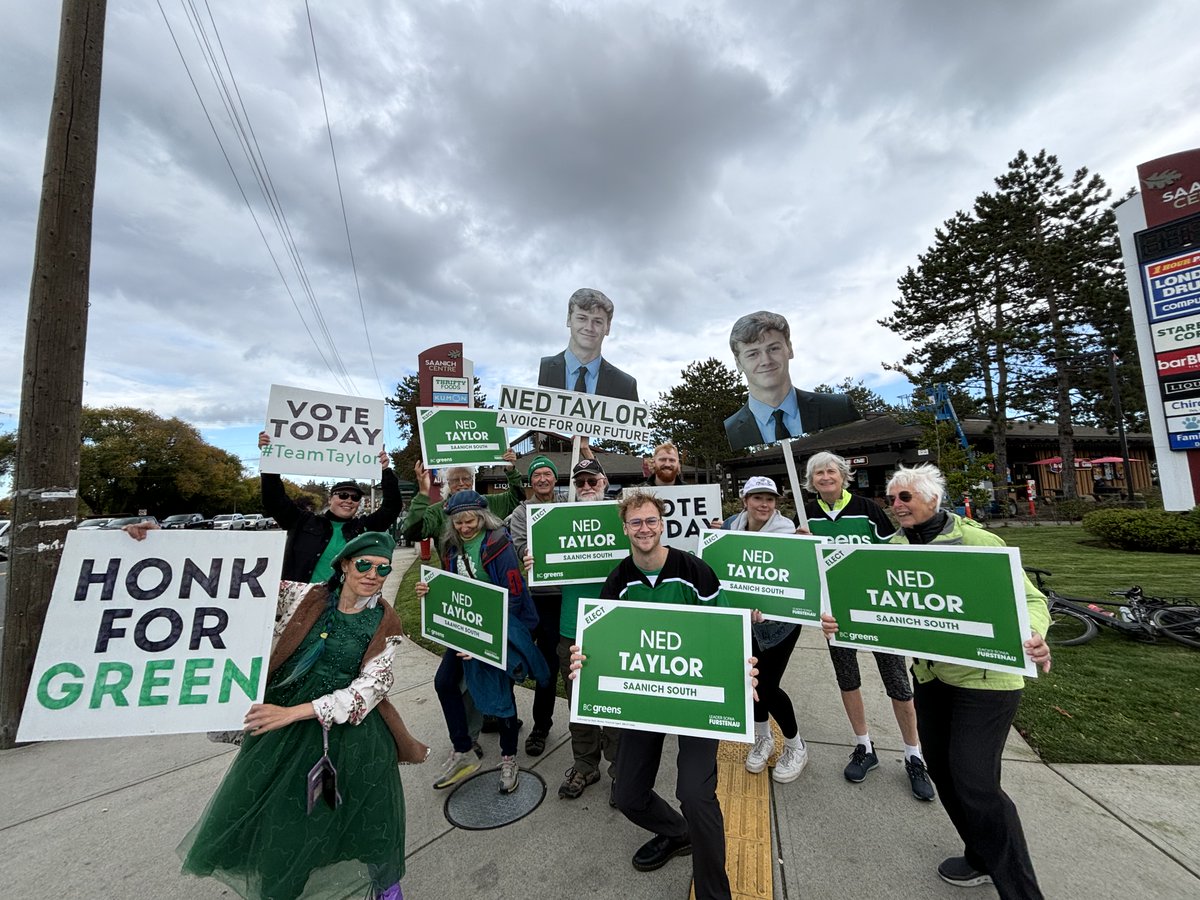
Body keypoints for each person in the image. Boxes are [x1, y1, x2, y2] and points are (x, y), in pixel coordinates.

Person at [130, 524, 428, 900]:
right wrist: (159, 541)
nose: (373, 576)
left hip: (353, 737)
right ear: (345, 566)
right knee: (286, 822)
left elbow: (369, 689)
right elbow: (228, 579)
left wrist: (295, 712)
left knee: (368, 817)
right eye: (365, 566)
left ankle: (385, 887)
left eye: (383, 569)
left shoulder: (386, 623)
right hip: (282, 736)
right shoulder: (301, 596)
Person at [821, 464, 1051, 898]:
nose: (897, 505)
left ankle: (1021, 891)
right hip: (930, 677)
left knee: (976, 782)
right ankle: (980, 856)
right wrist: (839, 620)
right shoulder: (891, 547)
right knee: (944, 773)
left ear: (932, 499)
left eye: (905, 497)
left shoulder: (977, 541)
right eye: (893, 498)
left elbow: (1031, 600)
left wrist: (1035, 634)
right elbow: (867, 598)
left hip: (985, 681)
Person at [576, 491, 743, 899]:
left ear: (662, 524)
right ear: (625, 528)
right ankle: (677, 832)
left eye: (651, 521)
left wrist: (743, 669)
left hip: (694, 696)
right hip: (645, 698)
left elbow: (724, 634)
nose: (644, 529)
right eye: (636, 523)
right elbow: (606, 643)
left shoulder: (694, 572)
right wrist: (585, 660)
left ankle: (714, 894)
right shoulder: (618, 580)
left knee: (695, 792)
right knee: (628, 794)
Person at [803, 451, 934, 801]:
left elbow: (891, 552)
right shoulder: (808, 516)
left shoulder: (867, 509)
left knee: (897, 681)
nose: (825, 477)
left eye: (831, 471)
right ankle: (864, 746)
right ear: (811, 480)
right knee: (847, 679)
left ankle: (913, 753)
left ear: (843, 475)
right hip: (834, 613)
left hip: (874, 610)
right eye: (818, 473)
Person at [417, 491, 548, 794]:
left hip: (498, 629)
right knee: (445, 683)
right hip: (464, 627)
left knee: (500, 696)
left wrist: (479, 641)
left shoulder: (498, 546)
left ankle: (509, 758)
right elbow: (452, 587)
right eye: (459, 522)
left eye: (470, 520)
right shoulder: (451, 548)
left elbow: (514, 598)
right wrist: (430, 590)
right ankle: (463, 749)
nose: (465, 527)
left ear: (482, 517)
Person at [524, 457, 623, 802]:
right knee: (579, 702)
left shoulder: (623, 518)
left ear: (604, 482)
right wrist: (532, 559)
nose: (585, 487)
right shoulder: (558, 523)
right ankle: (585, 764)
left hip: (615, 628)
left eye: (591, 481)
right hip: (571, 628)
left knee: (612, 701)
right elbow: (534, 555)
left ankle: (619, 770)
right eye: (579, 482)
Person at [721, 476, 808, 783]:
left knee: (768, 686)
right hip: (745, 621)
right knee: (751, 684)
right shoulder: (733, 526)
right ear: (745, 500)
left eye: (769, 499)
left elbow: (795, 579)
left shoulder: (787, 532)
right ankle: (763, 737)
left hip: (778, 626)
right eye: (757, 498)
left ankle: (796, 745)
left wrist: (804, 548)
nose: (764, 505)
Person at [259, 431, 402, 582]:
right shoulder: (302, 522)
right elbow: (273, 499)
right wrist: (269, 458)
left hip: (344, 603)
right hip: (302, 600)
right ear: (330, 499)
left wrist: (385, 471)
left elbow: (392, 507)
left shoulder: (364, 528)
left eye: (355, 497)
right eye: (342, 495)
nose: (348, 500)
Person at [723, 311, 859, 450]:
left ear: (790, 349)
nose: (766, 361)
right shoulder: (729, 431)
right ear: (738, 363)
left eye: (773, 348)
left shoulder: (839, 409)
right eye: (753, 354)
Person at [506, 454, 564, 757]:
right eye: (537, 475)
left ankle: (541, 726)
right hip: (528, 599)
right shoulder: (520, 512)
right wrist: (528, 551)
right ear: (530, 481)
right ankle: (507, 718)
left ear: (555, 478)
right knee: (515, 660)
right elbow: (518, 544)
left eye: (547, 474)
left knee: (548, 664)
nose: (542, 479)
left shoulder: (570, 506)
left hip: (557, 599)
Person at [399, 450, 522, 555]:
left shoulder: (488, 502)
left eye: (466, 478)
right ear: (448, 482)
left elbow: (516, 500)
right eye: (455, 479)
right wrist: (423, 494)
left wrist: (510, 470)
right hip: (454, 579)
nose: (461, 483)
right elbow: (411, 533)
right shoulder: (437, 511)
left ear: (472, 480)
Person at [538, 288, 639, 401]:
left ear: (608, 327)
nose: (589, 328)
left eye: (597, 322)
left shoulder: (626, 386)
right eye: (582, 318)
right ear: (569, 320)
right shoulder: (540, 370)